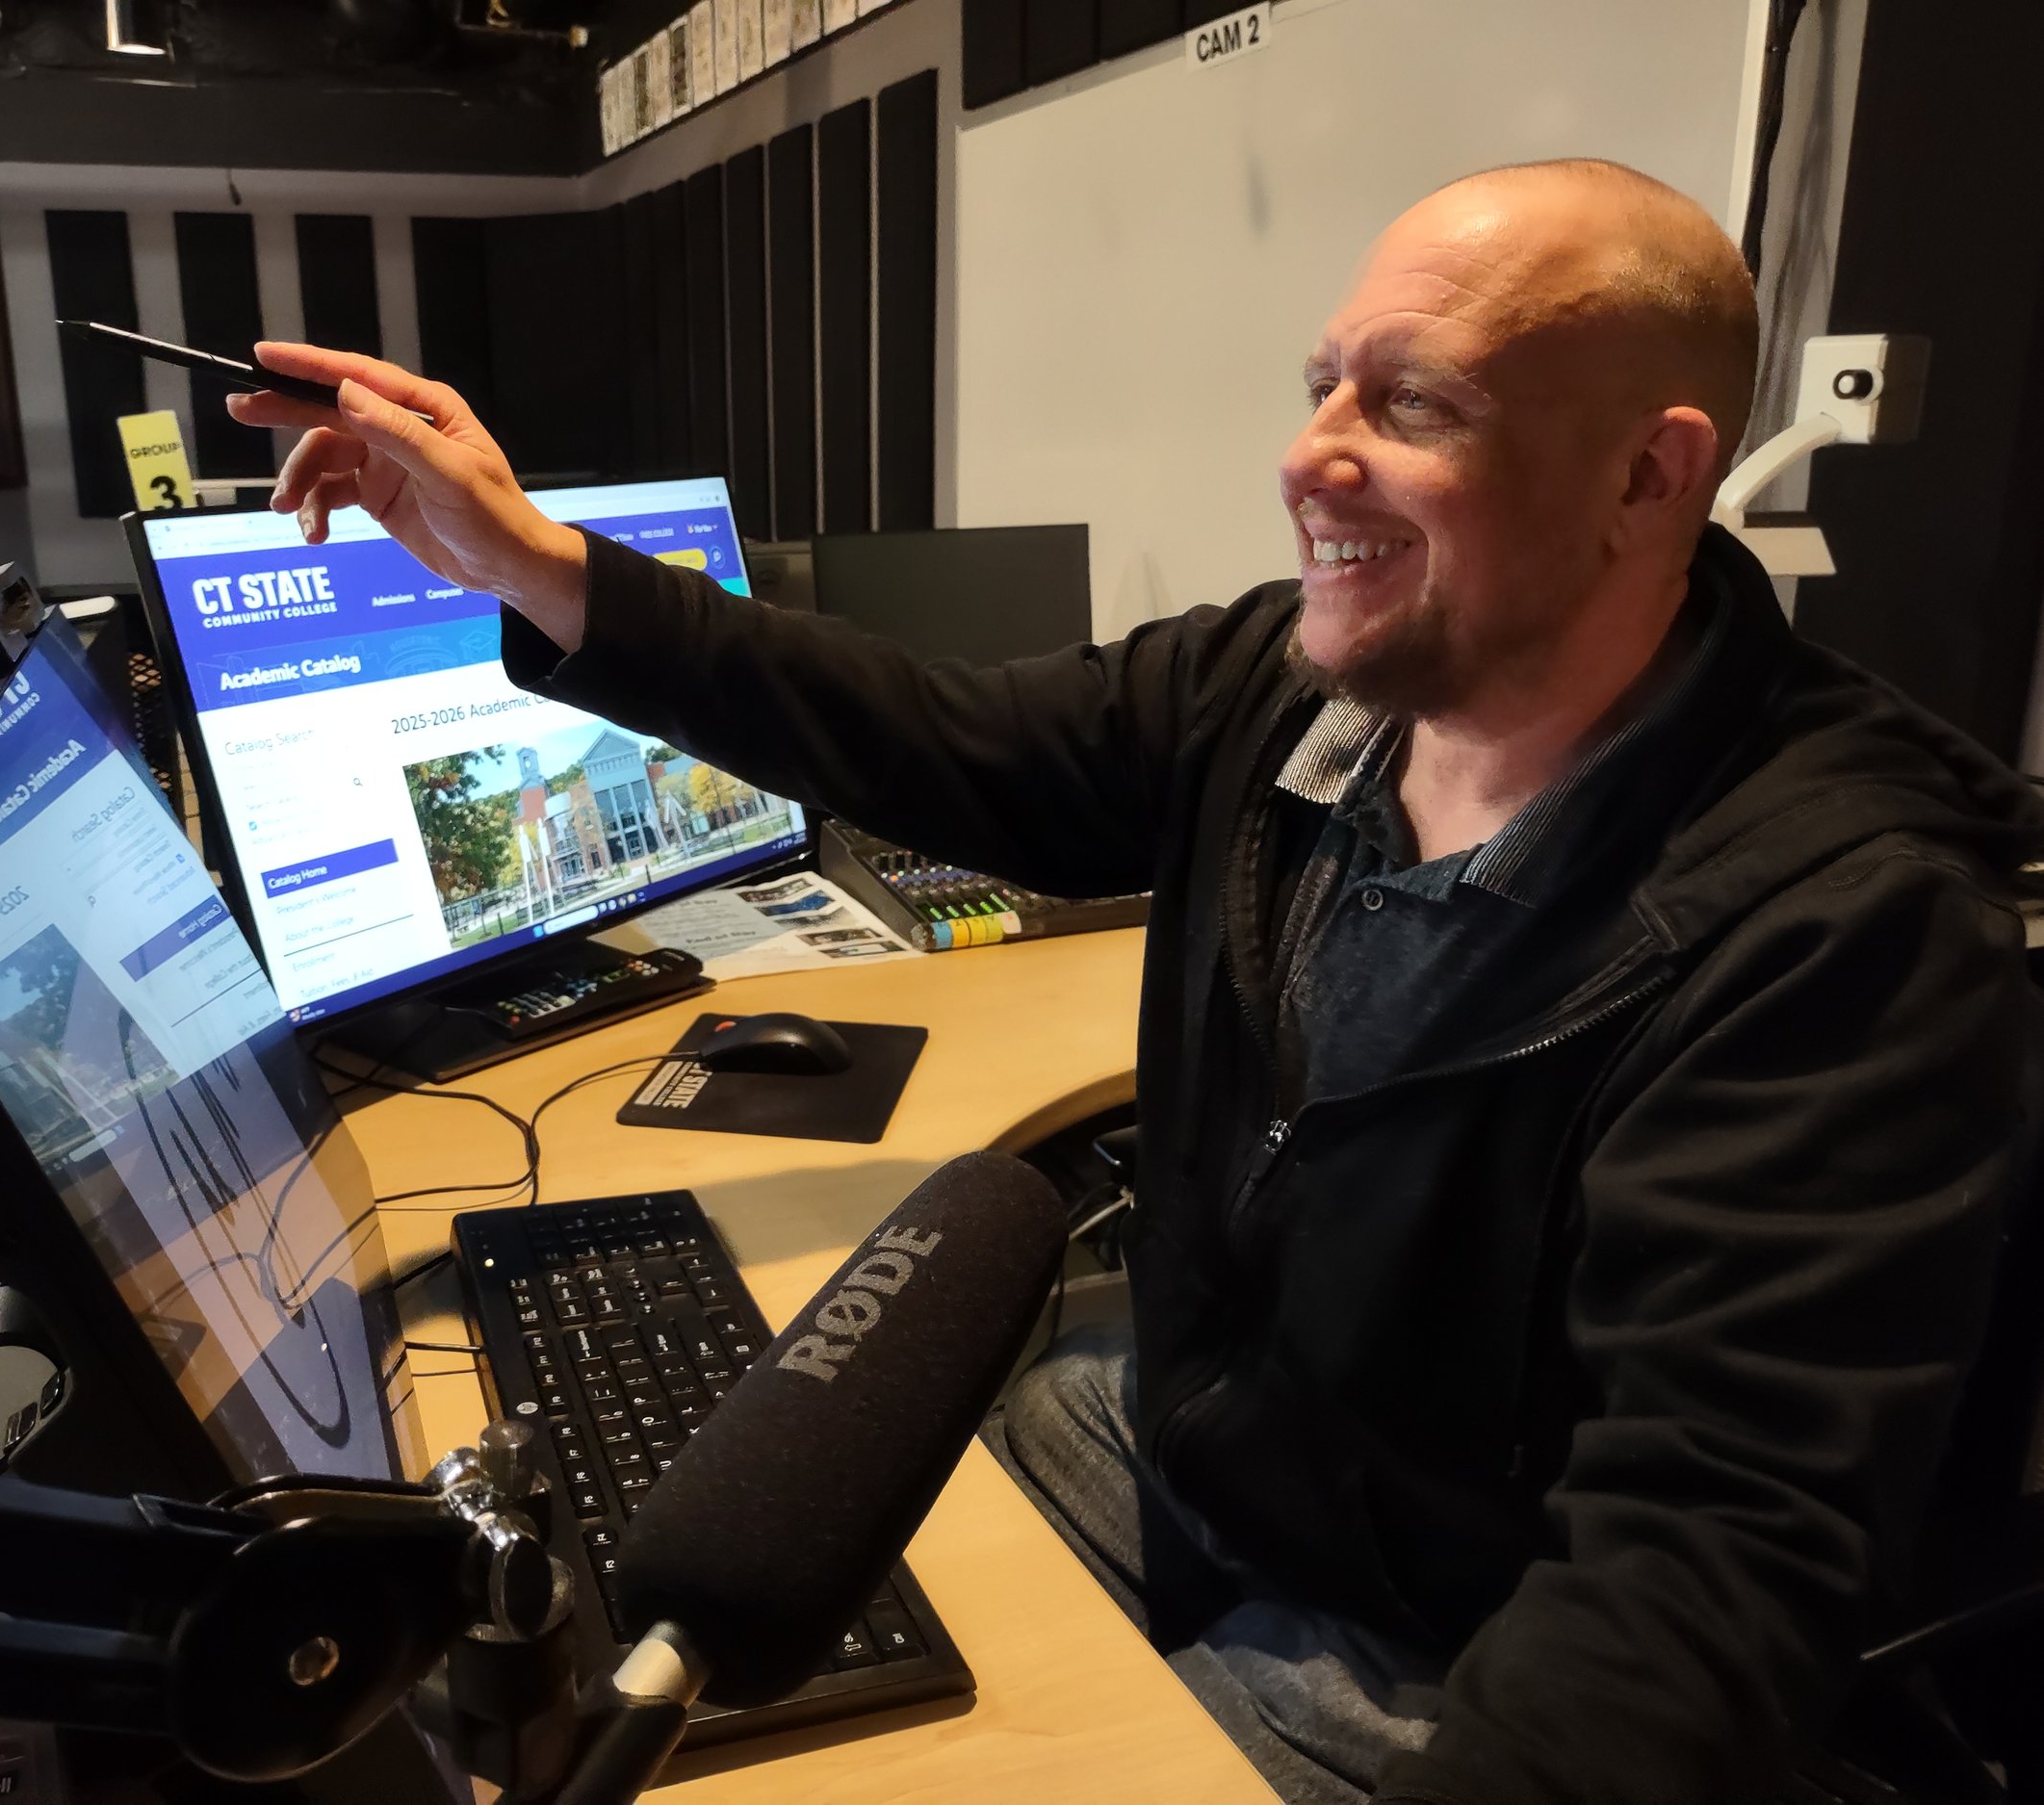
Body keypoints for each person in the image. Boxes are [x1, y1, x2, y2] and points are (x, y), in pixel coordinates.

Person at [232, 159, 2044, 1804]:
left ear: (1652, 472)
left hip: (1439, 1632)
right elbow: (946, 740)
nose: (1312, 455)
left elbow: (1696, 1574)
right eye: (1323, 383)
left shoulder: (1844, 928)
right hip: (1207, 1452)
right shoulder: (1290, 690)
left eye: (1414, 401)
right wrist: (533, 561)